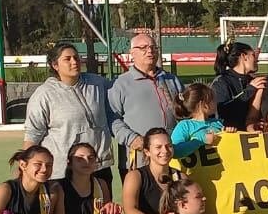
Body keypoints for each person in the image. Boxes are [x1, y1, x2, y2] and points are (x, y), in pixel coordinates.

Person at [22, 42, 113, 181]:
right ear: (55, 65)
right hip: (64, 172)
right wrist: (24, 170)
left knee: (102, 203)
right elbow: (33, 133)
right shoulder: (44, 94)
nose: (74, 62)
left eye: (76, 57)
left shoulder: (98, 83)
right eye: (67, 59)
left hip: (99, 168)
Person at [108, 32, 184, 177]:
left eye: (153, 47)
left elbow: (186, 111)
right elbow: (112, 119)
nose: (149, 51)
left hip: (172, 157)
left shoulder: (172, 80)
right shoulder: (120, 84)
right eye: (143, 48)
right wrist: (131, 139)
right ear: (132, 53)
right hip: (139, 160)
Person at [170, 83, 235, 158]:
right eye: (213, 100)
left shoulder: (218, 122)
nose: (216, 102)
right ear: (203, 104)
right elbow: (175, 151)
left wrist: (229, 134)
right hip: (194, 170)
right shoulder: (185, 126)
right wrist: (200, 139)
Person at [210, 38, 259, 126]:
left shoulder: (253, 80)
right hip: (230, 135)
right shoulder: (221, 82)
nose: (256, 60)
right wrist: (249, 91)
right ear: (244, 56)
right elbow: (223, 111)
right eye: (253, 55)